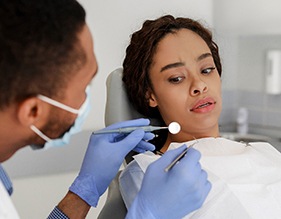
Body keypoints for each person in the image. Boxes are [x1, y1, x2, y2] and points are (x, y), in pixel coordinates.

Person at [0, 1, 212, 219]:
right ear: (33, 111)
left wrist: (82, 191)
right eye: (84, 87)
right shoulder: (142, 173)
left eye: (207, 69)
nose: (200, 86)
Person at [120, 15, 281, 218]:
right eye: (176, 78)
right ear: (150, 95)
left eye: (206, 70)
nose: (199, 85)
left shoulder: (264, 153)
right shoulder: (148, 173)